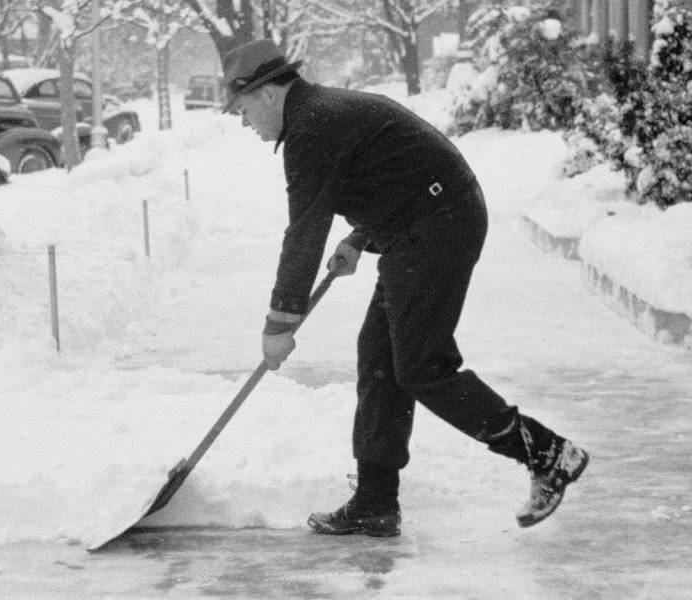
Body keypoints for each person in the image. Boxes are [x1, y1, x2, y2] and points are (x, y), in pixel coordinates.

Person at [221, 39, 589, 537]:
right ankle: (375, 501)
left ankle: (546, 452)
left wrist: (279, 323)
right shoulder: (320, 113)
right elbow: (395, 171)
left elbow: (304, 233)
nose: (245, 123)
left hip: (436, 225)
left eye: (243, 109)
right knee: (379, 355)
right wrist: (359, 238)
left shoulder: (311, 128)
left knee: (421, 365)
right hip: (424, 222)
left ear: (267, 93)